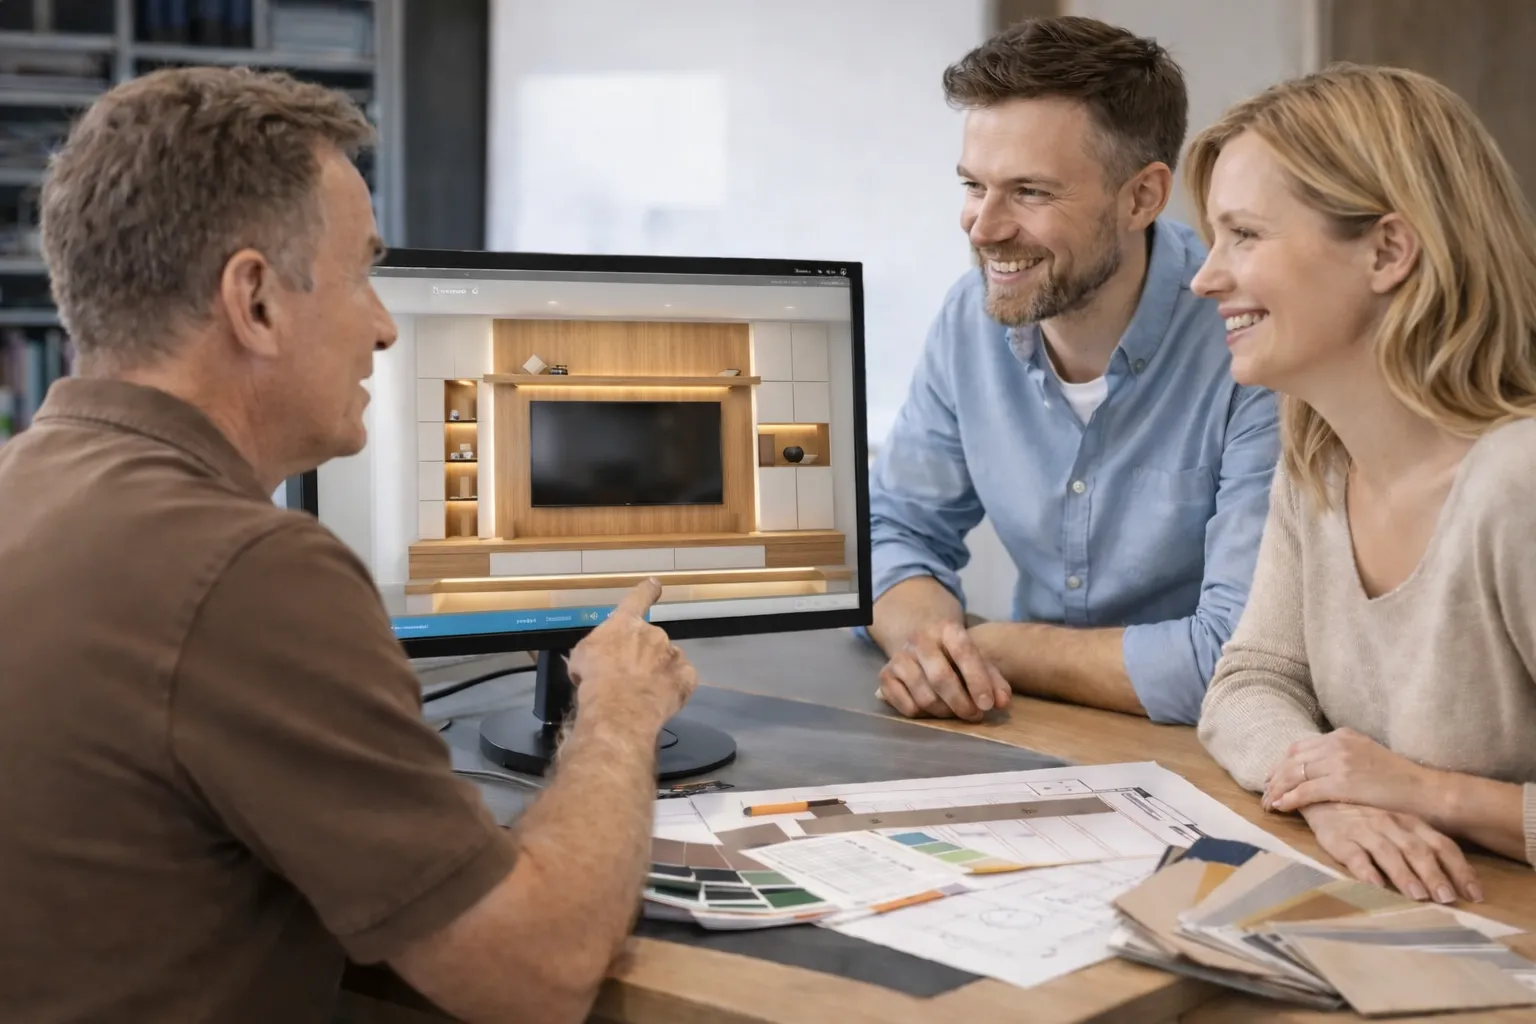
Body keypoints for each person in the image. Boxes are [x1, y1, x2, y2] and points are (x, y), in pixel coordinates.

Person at [0, 67, 699, 1024]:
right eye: (363, 272)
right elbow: (534, 973)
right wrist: (618, 712)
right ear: (254, 301)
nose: (381, 327)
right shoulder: (247, 569)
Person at [867, 16, 1279, 726]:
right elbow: (894, 529)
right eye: (973, 184)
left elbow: (1235, 657)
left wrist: (992, 647)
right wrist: (934, 651)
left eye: (1029, 192)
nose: (983, 226)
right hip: (1026, 725)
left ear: (1142, 199)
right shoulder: (970, 317)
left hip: (1208, 747)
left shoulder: (1251, 340)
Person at [1190, 64, 1536, 904]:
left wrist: (1427, 793)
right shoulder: (1319, 458)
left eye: (1244, 235)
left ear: (1387, 250)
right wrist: (1330, 798)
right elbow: (1248, 685)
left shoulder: (1516, 482)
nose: (1205, 278)